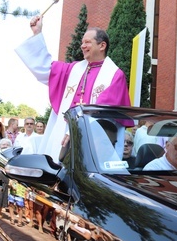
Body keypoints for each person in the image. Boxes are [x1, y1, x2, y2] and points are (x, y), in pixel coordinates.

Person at [15, 16, 131, 163]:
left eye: (87, 42)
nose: (82, 46)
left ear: (102, 46)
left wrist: (75, 132)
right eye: (82, 42)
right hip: (62, 133)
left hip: (91, 141)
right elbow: (46, 68)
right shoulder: (73, 69)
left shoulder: (114, 75)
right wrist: (37, 33)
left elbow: (103, 111)